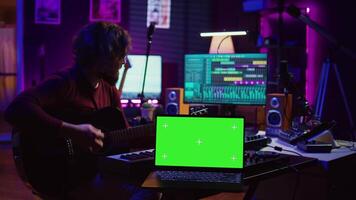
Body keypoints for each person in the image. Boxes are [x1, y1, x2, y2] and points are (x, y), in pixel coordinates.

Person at [5, 22, 157, 199]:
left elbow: (123, 136)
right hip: (63, 176)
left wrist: (161, 132)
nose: (123, 62)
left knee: (155, 186)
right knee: (146, 194)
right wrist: (73, 131)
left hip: (94, 171)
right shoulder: (65, 83)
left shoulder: (109, 91)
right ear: (103, 56)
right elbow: (16, 109)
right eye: (120, 56)